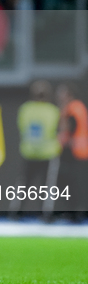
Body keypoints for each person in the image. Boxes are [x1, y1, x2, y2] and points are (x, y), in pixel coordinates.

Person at [10, 80, 61, 219]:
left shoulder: (25, 109)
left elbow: (22, 127)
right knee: (46, 186)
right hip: (47, 153)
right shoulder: (52, 110)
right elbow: (55, 130)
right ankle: (45, 214)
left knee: (24, 183)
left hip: (29, 151)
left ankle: (16, 212)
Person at [56, 83, 88, 222]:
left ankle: (74, 213)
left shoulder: (72, 108)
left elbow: (69, 129)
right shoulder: (77, 107)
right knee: (70, 184)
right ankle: (73, 212)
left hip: (75, 153)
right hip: (77, 152)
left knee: (71, 184)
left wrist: (61, 138)